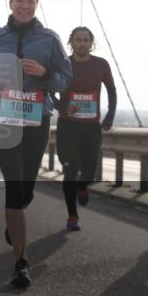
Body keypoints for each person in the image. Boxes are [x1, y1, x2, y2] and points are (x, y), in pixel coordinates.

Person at [0, 0, 72, 288]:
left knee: (27, 187)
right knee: (13, 187)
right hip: (3, 117)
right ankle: (21, 262)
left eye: (30, 1)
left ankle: (14, 217)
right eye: (20, 0)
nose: (25, 5)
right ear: (10, 3)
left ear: (36, 5)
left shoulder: (50, 39)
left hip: (36, 118)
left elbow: (65, 78)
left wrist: (45, 73)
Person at [55, 26, 116, 231]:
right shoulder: (63, 65)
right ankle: (72, 215)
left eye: (86, 40)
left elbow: (112, 91)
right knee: (70, 170)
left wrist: (110, 116)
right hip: (67, 126)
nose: (82, 43)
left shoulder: (101, 64)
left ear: (92, 43)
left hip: (91, 127)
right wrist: (64, 108)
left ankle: (83, 186)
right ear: (71, 42)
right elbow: (48, 93)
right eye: (78, 40)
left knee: (89, 171)